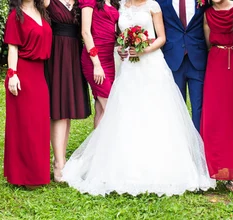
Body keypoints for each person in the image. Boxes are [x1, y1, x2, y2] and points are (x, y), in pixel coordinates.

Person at [62, 0, 216, 196]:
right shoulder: (122, 7)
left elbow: (161, 38)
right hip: (129, 67)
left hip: (151, 64)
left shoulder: (153, 6)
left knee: (155, 111)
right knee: (128, 112)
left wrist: (144, 49)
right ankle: (127, 163)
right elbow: (119, 37)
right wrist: (120, 46)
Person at [3, 0, 53, 189]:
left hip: (39, 74)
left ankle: (37, 173)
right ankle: (25, 176)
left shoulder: (43, 11)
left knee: (39, 125)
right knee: (25, 126)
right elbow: (13, 48)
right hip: (22, 73)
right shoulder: (16, 16)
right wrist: (12, 74)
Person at [201, 0, 233, 192]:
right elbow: (207, 42)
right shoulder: (207, 14)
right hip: (216, 64)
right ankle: (213, 167)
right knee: (214, 117)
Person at [44, 0, 92, 182]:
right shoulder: (49, 1)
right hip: (56, 55)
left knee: (68, 109)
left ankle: (61, 159)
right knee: (59, 110)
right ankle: (58, 163)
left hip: (74, 55)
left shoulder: (80, 3)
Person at [157, 0, 208, 131]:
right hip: (173, 58)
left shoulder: (205, 1)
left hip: (197, 58)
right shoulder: (161, 2)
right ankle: (181, 146)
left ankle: (198, 144)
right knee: (176, 106)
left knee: (199, 106)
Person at [80, 0, 120, 128]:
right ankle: (110, 145)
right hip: (94, 59)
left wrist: (119, 46)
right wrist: (96, 64)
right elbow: (85, 32)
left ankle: (98, 147)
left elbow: (110, 32)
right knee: (110, 107)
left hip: (109, 60)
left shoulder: (113, 3)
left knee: (101, 109)